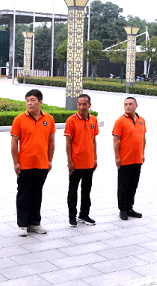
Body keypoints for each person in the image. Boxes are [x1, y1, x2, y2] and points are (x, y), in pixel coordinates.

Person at [11, 89, 55, 236]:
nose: (29, 103)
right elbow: (14, 142)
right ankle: (22, 224)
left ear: (40, 102)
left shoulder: (49, 119)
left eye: (32, 100)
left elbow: (51, 141)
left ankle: (35, 223)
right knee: (23, 194)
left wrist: (50, 160)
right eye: (27, 100)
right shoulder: (19, 119)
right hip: (25, 163)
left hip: (42, 163)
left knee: (37, 193)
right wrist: (15, 162)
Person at [65, 94, 99, 227]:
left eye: (84, 104)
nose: (81, 107)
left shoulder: (93, 120)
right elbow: (68, 143)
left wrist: (95, 158)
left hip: (89, 162)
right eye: (79, 104)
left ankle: (84, 215)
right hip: (76, 163)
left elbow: (93, 140)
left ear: (89, 105)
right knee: (73, 190)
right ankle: (72, 216)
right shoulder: (71, 120)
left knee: (86, 190)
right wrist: (70, 161)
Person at [112, 97, 146, 221]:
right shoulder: (120, 121)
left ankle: (130, 208)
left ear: (136, 105)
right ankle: (122, 209)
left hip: (137, 159)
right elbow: (116, 141)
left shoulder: (141, 120)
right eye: (126, 104)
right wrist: (117, 157)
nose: (128, 106)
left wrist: (142, 154)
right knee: (123, 186)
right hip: (125, 159)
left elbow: (143, 138)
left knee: (133, 185)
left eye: (130, 104)